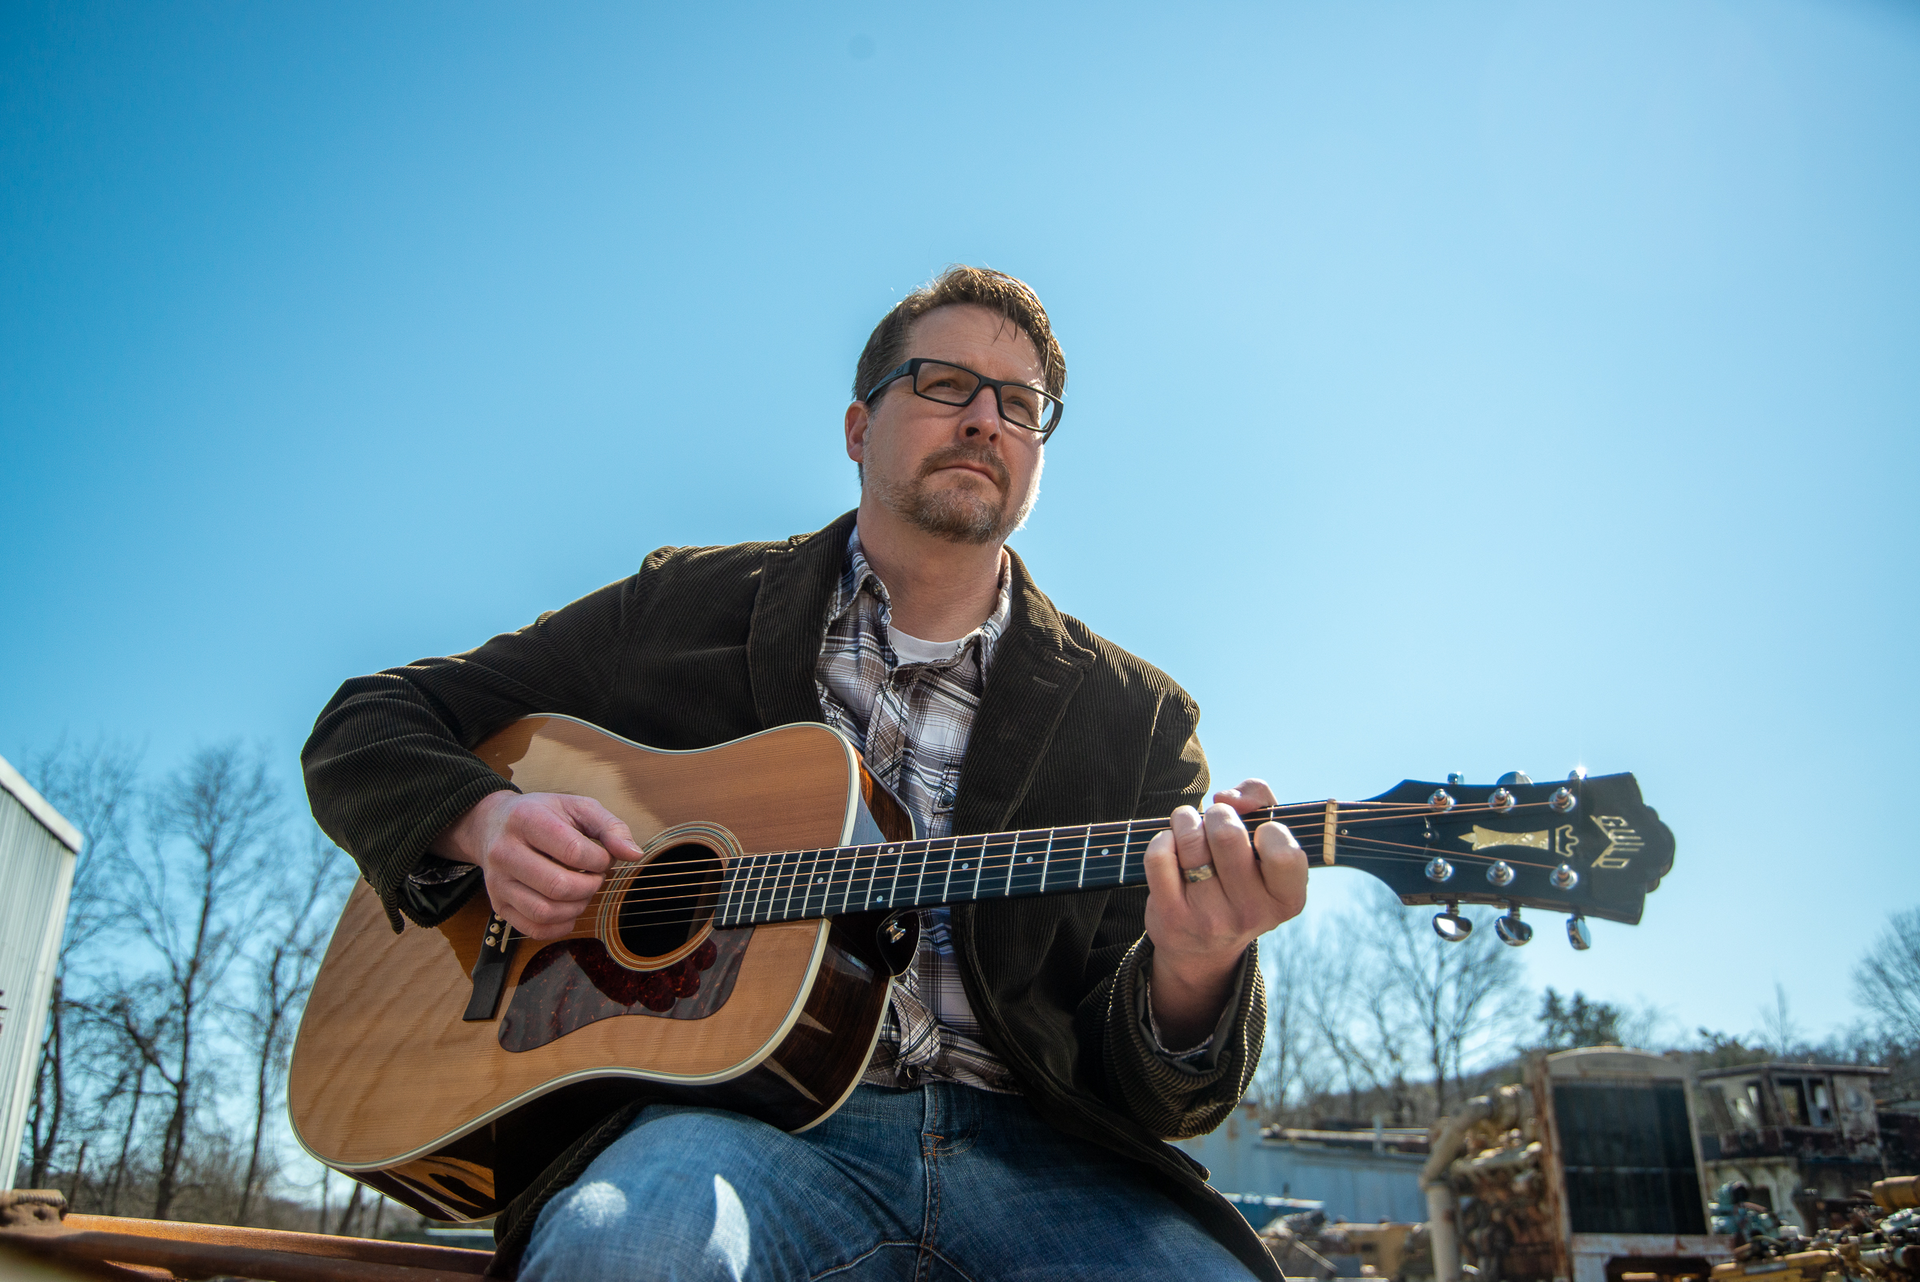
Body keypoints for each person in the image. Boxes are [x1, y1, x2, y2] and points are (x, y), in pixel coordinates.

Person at [303, 266, 1309, 1281]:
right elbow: (367, 723)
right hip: (727, 1140)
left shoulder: (1138, 719)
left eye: (1021, 404)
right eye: (945, 383)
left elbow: (1162, 1097)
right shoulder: (682, 609)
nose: (985, 421)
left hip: (1042, 1164)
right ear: (857, 427)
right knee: (633, 1246)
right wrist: (482, 823)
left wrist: (1194, 969)